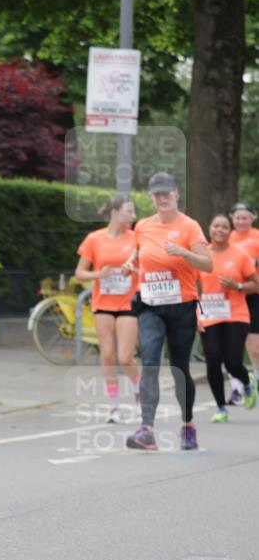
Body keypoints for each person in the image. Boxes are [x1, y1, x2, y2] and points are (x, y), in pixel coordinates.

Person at [124, 172, 212, 452]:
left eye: (167, 193)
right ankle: (146, 430)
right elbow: (140, 253)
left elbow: (208, 265)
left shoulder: (189, 226)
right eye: (157, 194)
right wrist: (131, 261)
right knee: (150, 360)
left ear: (176, 194)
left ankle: (188, 424)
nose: (162, 198)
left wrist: (184, 253)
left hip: (182, 305)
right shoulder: (143, 227)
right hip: (150, 304)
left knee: (179, 367)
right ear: (151, 197)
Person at [75, 194, 139, 422]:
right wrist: (98, 274)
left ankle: (140, 390)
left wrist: (132, 270)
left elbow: (146, 269)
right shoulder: (94, 239)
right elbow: (79, 273)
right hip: (103, 303)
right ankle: (114, 407)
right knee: (108, 355)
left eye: (133, 212)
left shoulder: (136, 239)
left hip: (128, 302)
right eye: (128, 212)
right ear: (114, 213)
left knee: (125, 357)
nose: (133, 216)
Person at [198, 214, 259, 422]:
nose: (220, 230)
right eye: (216, 226)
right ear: (210, 229)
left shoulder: (240, 254)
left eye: (224, 227)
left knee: (233, 362)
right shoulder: (202, 255)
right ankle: (221, 407)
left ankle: (248, 384)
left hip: (236, 313)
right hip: (210, 313)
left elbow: (255, 283)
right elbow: (192, 286)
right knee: (213, 360)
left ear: (228, 230)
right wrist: (195, 312)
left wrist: (237, 286)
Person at [226, 202, 259, 403]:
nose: (240, 221)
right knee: (231, 345)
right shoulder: (227, 238)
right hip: (231, 296)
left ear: (252, 218)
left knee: (254, 347)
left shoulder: (257, 237)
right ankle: (237, 389)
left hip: (254, 293)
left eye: (244, 217)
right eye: (237, 217)